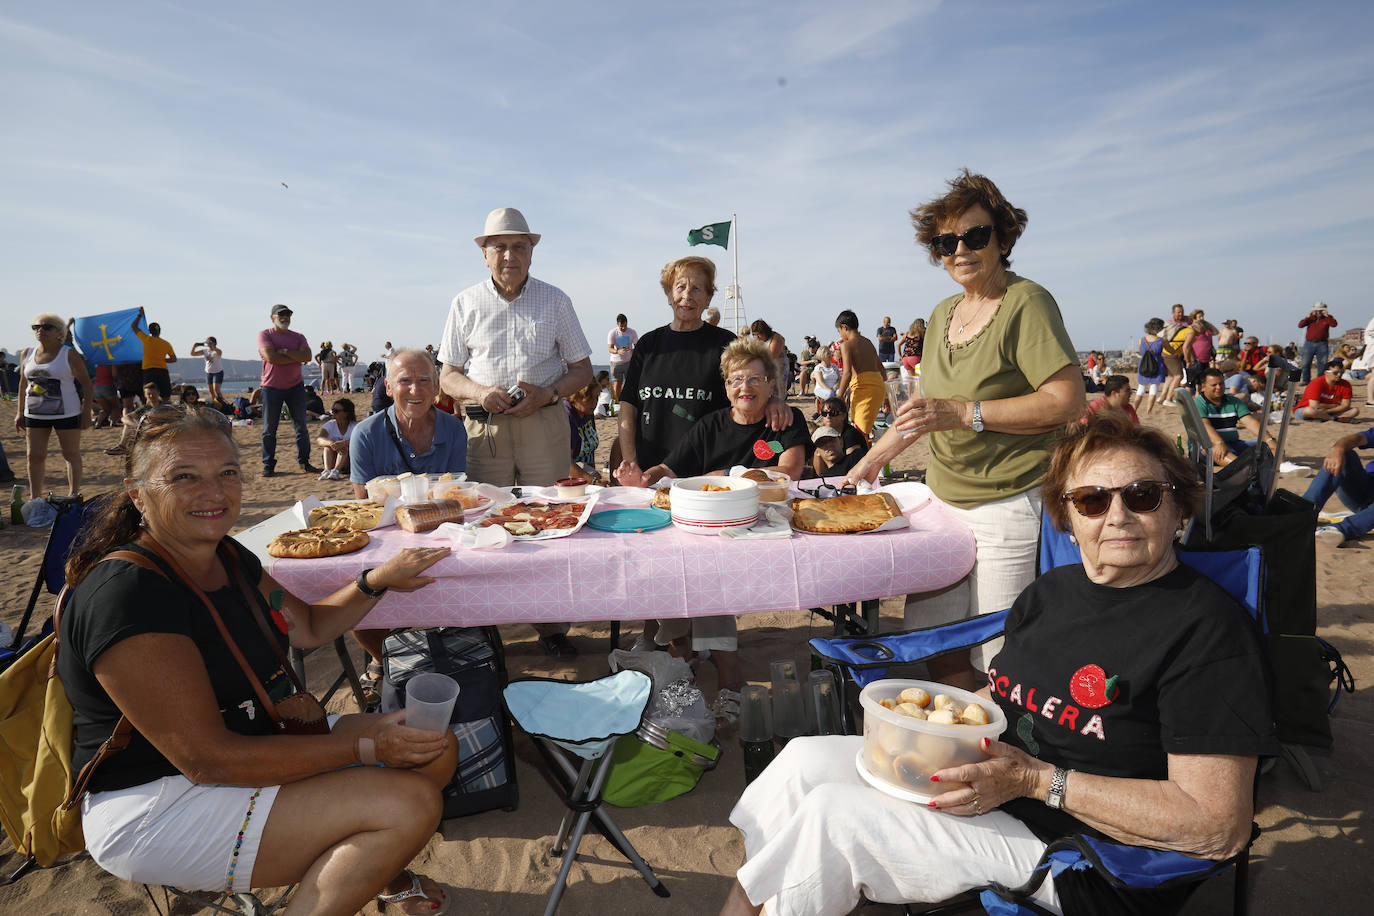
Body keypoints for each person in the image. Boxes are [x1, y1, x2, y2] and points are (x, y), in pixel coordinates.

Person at [722, 414, 1275, 916]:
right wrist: (923, 728)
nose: (1119, 517)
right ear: (1067, 516)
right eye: (1092, 501)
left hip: (1088, 858)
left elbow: (1216, 825)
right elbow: (1005, 698)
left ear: (1178, 506)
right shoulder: (1054, 592)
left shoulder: (1208, 632)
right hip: (998, 787)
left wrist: (1037, 781)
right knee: (801, 763)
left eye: (1143, 495)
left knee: (833, 819)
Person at [59, 405, 457, 915]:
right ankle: (358, 856)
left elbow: (308, 627)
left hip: (253, 737)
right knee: (410, 806)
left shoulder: (227, 556)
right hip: (158, 799)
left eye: (227, 473)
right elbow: (208, 760)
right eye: (184, 477)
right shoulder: (128, 595)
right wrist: (366, 745)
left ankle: (364, 863)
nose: (214, 492)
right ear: (138, 494)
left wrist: (374, 581)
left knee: (434, 748)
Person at [847, 170, 1082, 687]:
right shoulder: (943, 311)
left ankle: (1001, 755)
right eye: (946, 241)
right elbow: (926, 410)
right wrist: (867, 462)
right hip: (942, 503)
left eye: (975, 236)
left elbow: (1066, 401)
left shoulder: (1026, 302)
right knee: (936, 638)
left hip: (1008, 503)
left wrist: (966, 413)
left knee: (1000, 655)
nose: (960, 250)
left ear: (1003, 238)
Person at [618, 338, 809, 718]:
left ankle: (727, 674)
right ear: (725, 386)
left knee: (708, 572)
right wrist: (644, 477)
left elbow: (787, 472)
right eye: (737, 379)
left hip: (763, 532)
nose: (746, 388)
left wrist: (722, 475)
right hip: (715, 532)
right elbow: (670, 470)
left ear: (772, 385)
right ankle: (682, 654)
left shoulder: (785, 420)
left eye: (756, 379)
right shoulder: (710, 426)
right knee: (673, 563)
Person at [436, 208, 593, 657]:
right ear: (484, 255)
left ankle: (552, 628)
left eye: (519, 246)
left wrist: (546, 394)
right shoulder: (464, 302)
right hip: (484, 429)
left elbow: (582, 370)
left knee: (549, 520)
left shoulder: (556, 300)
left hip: (544, 424)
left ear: (531, 252)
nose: (509, 255)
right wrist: (482, 392)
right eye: (499, 247)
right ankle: (487, 628)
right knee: (485, 520)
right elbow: (447, 374)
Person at [350, 348, 469, 689]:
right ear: (388, 387)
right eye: (405, 381)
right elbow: (365, 510)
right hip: (385, 542)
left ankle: (445, 647)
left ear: (436, 388)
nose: (415, 390)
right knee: (357, 589)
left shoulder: (454, 430)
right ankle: (380, 657)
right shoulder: (367, 434)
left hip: (442, 539)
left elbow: (456, 497)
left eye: (424, 381)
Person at [16, 312, 93, 497]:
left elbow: (87, 386)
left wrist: (86, 413)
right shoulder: (27, 353)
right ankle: (36, 498)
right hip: (34, 413)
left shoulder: (69, 355)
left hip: (67, 413)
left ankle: (73, 495)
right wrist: (20, 412)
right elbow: (23, 384)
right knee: (34, 456)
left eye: (47, 326)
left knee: (70, 454)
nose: (40, 330)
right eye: (36, 327)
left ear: (59, 332)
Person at [256, 304, 321, 477]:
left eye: (288, 315)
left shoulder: (298, 337)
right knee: (269, 429)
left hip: (295, 387)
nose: (285, 317)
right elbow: (271, 357)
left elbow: (307, 356)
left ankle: (304, 462)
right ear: (272, 318)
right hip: (271, 388)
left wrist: (283, 352)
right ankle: (268, 464)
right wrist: (294, 356)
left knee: (301, 427)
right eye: (281, 315)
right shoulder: (265, 335)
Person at [1307, 425, 1374, 547]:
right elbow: (1359, 438)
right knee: (1346, 455)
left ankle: (1339, 530)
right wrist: (1339, 448)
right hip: (1365, 490)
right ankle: (1303, 512)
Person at [1193, 368, 1277, 465]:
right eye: (1214, 385)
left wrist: (1269, 439)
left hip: (1234, 444)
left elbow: (1250, 423)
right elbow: (1204, 426)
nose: (1219, 387)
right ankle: (1244, 469)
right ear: (1203, 387)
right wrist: (1219, 442)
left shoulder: (1234, 401)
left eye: (1221, 383)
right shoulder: (1198, 403)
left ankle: (1280, 466)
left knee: (1271, 445)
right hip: (1207, 446)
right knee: (1213, 449)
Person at [834, 310, 885, 435]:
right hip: (878, 386)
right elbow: (881, 368)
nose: (841, 335)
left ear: (844, 327)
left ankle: (865, 454)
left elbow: (847, 373)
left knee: (860, 432)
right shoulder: (868, 342)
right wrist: (887, 394)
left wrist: (839, 396)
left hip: (864, 388)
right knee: (862, 428)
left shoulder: (846, 345)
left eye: (839, 331)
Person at [810, 396, 869, 477]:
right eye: (824, 413)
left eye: (833, 413)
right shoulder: (822, 432)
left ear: (843, 416)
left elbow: (852, 464)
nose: (828, 417)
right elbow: (819, 469)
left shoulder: (850, 434)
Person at [1294, 359, 1359, 422]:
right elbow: (1314, 405)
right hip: (1307, 409)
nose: (1339, 375)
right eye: (1335, 373)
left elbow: (1346, 405)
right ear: (1326, 373)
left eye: (1342, 372)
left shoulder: (1345, 384)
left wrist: (1327, 411)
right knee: (1309, 411)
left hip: (1328, 411)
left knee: (1355, 411)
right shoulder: (1316, 383)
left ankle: (1324, 417)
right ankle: (1333, 419)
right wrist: (1334, 406)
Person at [133, 309, 177, 399]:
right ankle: (164, 411)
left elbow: (134, 326)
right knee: (165, 396)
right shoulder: (166, 343)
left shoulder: (146, 339)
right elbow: (174, 359)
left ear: (149, 331)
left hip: (148, 370)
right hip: (162, 370)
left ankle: (151, 412)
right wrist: (162, 359)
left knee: (150, 395)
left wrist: (139, 315)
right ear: (159, 331)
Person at [1158, 303, 1193, 407]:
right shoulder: (1169, 323)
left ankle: (1162, 397)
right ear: (1173, 313)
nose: (1181, 314)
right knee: (1178, 376)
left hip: (1178, 352)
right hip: (1171, 352)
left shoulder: (1188, 320)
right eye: (1178, 312)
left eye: (1182, 311)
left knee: (1170, 376)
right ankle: (1169, 398)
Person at [1131, 318, 1168, 414]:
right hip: (1157, 366)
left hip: (1144, 366)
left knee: (1141, 389)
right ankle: (1149, 411)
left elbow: (1141, 352)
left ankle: (1134, 409)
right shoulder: (1161, 340)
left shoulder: (1141, 340)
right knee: (1154, 389)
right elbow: (1171, 351)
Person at [565, 378, 599, 479]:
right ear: (575, 397)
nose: (595, 403)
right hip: (570, 471)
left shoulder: (587, 412)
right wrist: (593, 481)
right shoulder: (568, 417)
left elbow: (590, 452)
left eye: (597, 397)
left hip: (585, 467)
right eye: (589, 398)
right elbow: (566, 463)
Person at [316, 397, 356, 481]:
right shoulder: (330, 424)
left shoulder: (354, 426)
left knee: (344, 447)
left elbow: (358, 440)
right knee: (327, 447)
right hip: (332, 458)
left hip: (348, 461)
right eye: (332, 410)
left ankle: (336, 471)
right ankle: (327, 470)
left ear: (346, 413)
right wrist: (332, 443)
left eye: (336, 411)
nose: (333, 413)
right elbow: (320, 439)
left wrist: (343, 443)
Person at [1298, 301, 1339, 383]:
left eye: (1320, 310)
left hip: (1322, 343)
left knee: (1322, 364)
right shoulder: (1311, 318)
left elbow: (1334, 324)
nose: (1318, 312)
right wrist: (1308, 316)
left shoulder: (1328, 318)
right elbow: (1300, 325)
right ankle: (1306, 380)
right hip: (1309, 343)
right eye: (1317, 310)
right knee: (1305, 363)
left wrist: (1327, 316)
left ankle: (1320, 381)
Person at [750, 319, 788, 401]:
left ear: (765, 332)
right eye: (754, 335)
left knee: (776, 393)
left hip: (777, 368)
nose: (757, 337)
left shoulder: (776, 339)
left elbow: (771, 356)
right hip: (765, 368)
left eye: (759, 335)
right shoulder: (759, 340)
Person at [607, 313, 637, 401]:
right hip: (616, 362)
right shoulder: (613, 333)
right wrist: (617, 351)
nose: (623, 328)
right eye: (621, 327)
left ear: (627, 323)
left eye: (625, 326)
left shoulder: (632, 332)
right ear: (617, 324)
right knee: (617, 384)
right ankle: (618, 402)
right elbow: (610, 348)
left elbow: (637, 346)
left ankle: (629, 401)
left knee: (630, 383)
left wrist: (632, 350)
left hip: (628, 361)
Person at [1185, 309, 1216, 391]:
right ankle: (1188, 398)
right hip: (1195, 358)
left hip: (1205, 358)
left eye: (1203, 316)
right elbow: (1187, 346)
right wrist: (1189, 360)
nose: (1202, 318)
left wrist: (1206, 323)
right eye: (1200, 316)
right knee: (1191, 381)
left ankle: (1198, 397)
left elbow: (1216, 332)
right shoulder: (1191, 329)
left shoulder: (1206, 329)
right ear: (1194, 318)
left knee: (1201, 381)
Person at [190, 336, 225, 403]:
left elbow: (219, 352)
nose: (208, 344)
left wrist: (212, 346)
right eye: (207, 342)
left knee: (217, 390)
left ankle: (223, 404)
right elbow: (192, 354)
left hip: (218, 372)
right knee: (211, 391)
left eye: (209, 342)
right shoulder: (205, 351)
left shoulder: (217, 351)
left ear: (214, 343)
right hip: (209, 372)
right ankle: (216, 404)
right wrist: (195, 346)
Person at [810, 348, 840, 417]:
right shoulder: (818, 368)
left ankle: (839, 412)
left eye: (830, 353)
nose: (831, 355)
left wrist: (835, 386)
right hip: (821, 388)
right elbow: (820, 382)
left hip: (834, 388)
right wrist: (830, 390)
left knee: (840, 393)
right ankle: (826, 412)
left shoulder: (834, 366)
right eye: (828, 353)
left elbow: (839, 379)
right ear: (822, 355)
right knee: (830, 394)